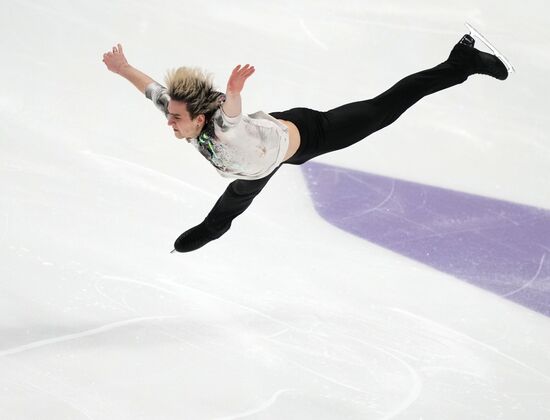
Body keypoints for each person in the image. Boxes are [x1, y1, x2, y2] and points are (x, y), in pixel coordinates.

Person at [102, 32, 508, 253]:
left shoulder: (226, 126)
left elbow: (232, 113)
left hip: (304, 136)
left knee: (382, 111)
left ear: (201, 118)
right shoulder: (186, 116)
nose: (168, 122)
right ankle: (211, 230)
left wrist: (234, 89)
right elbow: (152, 89)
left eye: (175, 118)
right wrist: (123, 68)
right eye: (170, 115)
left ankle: (460, 62)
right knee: (225, 213)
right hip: (255, 165)